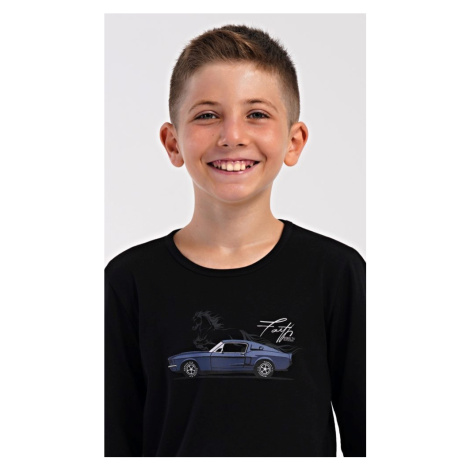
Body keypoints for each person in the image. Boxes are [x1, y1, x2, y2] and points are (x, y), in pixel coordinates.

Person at [105, 24, 365, 457]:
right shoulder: (127, 281)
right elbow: (113, 443)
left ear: (293, 142)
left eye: (257, 114)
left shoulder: (336, 273)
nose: (232, 136)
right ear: (173, 143)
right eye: (207, 115)